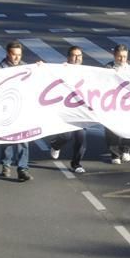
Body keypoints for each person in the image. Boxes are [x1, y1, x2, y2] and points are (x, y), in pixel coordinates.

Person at [0, 41, 32, 182]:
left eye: (19, 55)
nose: (17, 58)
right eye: (14, 55)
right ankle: (6, 164)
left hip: (21, 110)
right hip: (6, 111)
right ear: (8, 54)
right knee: (7, 140)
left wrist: (40, 68)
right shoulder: (0, 69)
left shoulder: (26, 67)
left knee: (24, 139)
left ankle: (22, 168)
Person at [48, 46, 88, 174]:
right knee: (66, 135)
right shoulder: (62, 69)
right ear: (69, 57)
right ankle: (56, 145)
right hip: (65, 109)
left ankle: (76, 163)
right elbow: (48, 75)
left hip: (80, 110)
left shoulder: (88, 71)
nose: (77, 58)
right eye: (74, 55)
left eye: (79, 55)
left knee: (81, 136)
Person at [105, 44, 130, 164]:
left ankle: (126, 149)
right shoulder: (108, 68)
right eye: (119, 57)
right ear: (114, 56)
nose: (122, 60)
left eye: (124, 57)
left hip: (128, 103)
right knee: (112, 130)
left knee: (129, 126)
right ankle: (114, 154)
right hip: (112, 104)